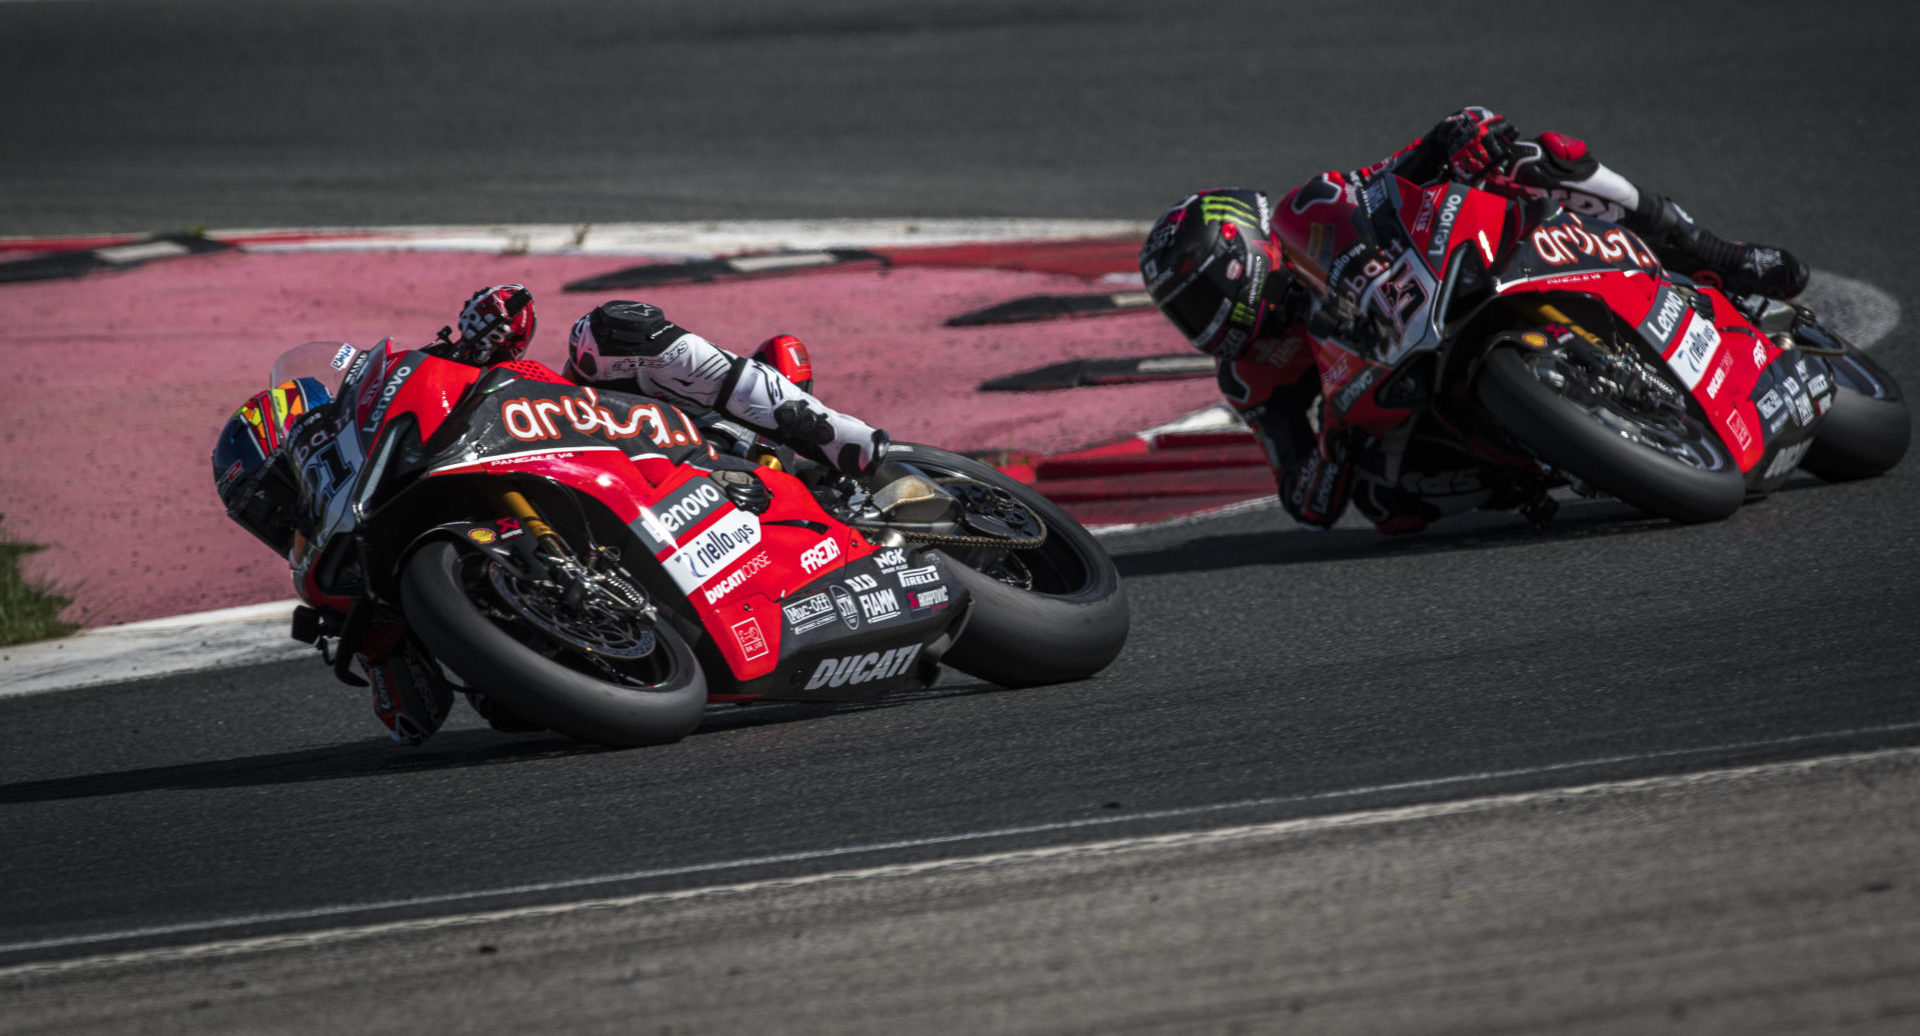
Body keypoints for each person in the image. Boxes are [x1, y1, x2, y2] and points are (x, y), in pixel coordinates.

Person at [1138, 106, 1809, 535]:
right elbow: (1301, 496)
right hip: (1393, 387)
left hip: (1442, 275)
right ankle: (1533, 455)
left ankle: (1712, 250)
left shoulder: (1308, 211)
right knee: (1387, 504)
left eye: (1200, 297)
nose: (1202, 323)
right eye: (1183, 314)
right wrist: (1328, 461)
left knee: (1537, 154)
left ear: (1242, 253)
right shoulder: (1249, 375)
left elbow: (1387, 174)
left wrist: (1450, 139)